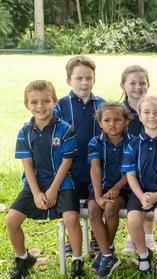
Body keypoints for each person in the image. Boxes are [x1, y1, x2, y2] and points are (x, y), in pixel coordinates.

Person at [7, 80, 82, 279]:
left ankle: (77, 260)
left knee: (71, 218)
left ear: (54, 101)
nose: (40, 106)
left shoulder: (65, 129)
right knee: (11, 220)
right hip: (34, 184)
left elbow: (66, 162)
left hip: (63, 182)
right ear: (27, 105)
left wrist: (52, 190)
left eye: (46, 101)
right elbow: (27, 164)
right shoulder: (24, 131)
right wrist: (36, 192)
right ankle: (23, 258)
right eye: (34, 102)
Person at [122, 96, 157, 275]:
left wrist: (156, 196)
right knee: (133, 219)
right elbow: (130, 175)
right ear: (139, 115)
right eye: (146, 112)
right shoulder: (132, 145)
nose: (151, 116)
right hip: (138, 193)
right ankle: (143, 253)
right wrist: (141, 196)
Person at [54, 55, 105, 209]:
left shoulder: (102, 105)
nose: (84, 83)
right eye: (79, 78)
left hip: (97, 170)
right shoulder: (60, 106)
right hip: (70, 172)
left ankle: (96, 234)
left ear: (94, 79)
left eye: (89, 78)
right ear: (69, 81)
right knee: (71, 213)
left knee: (96, 210)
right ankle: (73, 234)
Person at [87, 102, 131, 277]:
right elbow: (95, 168)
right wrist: (98, 196)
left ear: (126, 122)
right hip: (100, 187)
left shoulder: (132, 142)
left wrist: (116, 188)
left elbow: (131, 171)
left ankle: (106, 253)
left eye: (117, 120)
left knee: (111, 208)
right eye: (107, 120)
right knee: (93, 210)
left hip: (124, 188)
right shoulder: (95, 142)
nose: (112, 124)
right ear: (100, 123)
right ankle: (107, 254)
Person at [118, 65, 157, 255]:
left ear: (148, 84)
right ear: (123, 85)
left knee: (148, 187)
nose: (137, 87)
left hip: (149, 164)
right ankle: (131, 237)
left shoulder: (153, 109)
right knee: (133, 196)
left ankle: (148, 237)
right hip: (125, 164)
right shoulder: (119, 111)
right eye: (132, 83)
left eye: (142, 82)